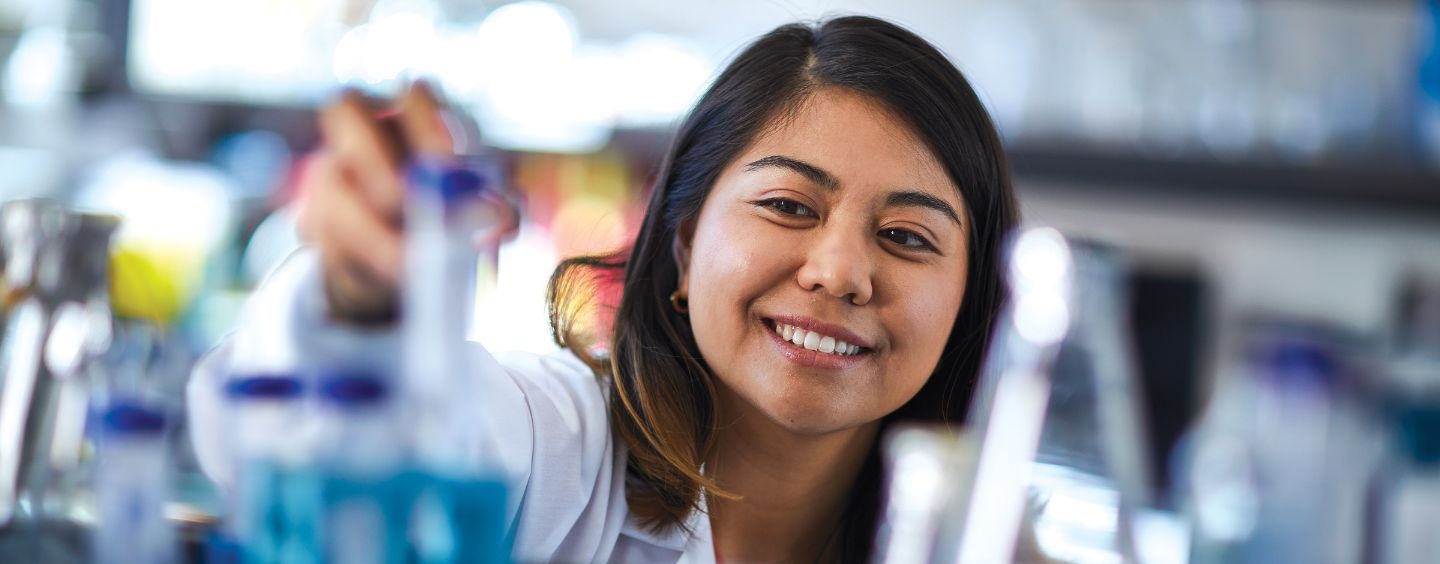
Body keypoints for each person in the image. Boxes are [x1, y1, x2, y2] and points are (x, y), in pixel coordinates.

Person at [187, 14, 1018, 563]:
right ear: (684, 246)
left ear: (971, 299)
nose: (838, 272)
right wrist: (357, 311)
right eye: (788, 205)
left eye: (908, 237)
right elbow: (292, 438)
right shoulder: (563, 448)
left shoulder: (975, 541)